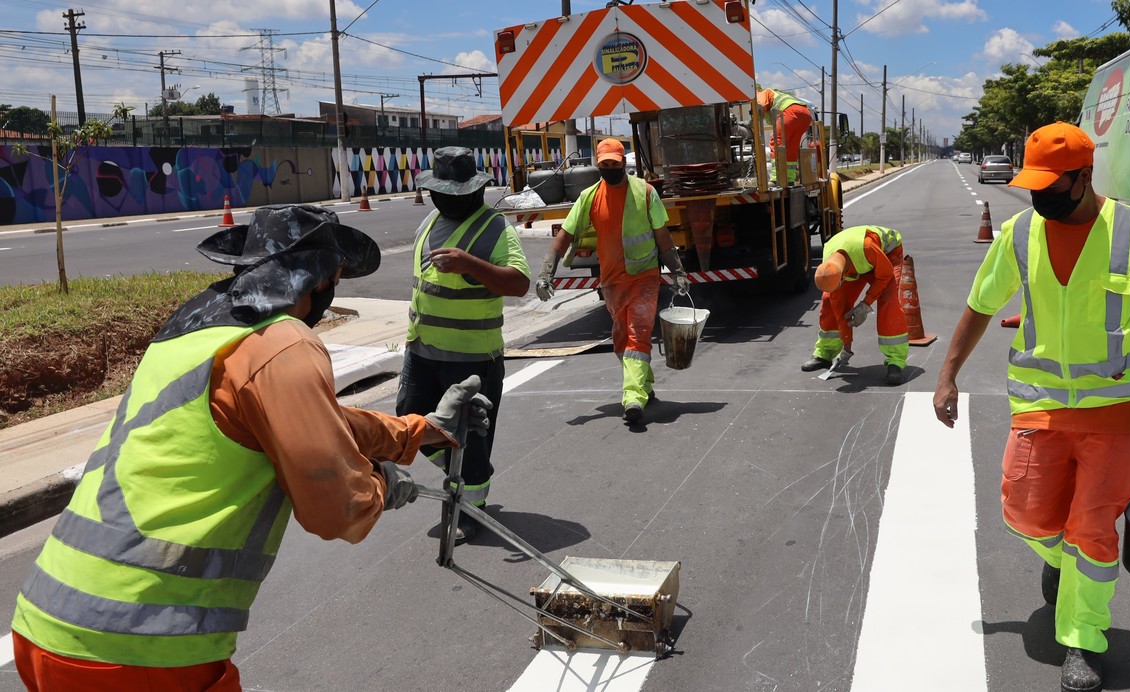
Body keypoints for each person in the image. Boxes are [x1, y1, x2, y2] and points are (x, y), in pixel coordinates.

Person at [9, 204, 492, 691]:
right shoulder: (281, 342)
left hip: (48, 623)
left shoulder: (195, 331)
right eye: (337, 277)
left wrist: (420, 429)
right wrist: (380, 485)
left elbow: (315, 421)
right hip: (140, 648)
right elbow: (337, 508)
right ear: (321, 279)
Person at [930, 122, 1130, 692]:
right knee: (1023, 514)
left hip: (1116, 409)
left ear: (1084, 176)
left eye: (1053, 184)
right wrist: (947, 374)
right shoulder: (1020, 234)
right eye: (1034, 183)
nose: (1039, 194)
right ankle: (1061, 562)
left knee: (1093, 530)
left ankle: (1082, 641)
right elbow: (980, 306)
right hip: (1040, 406)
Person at [397, 146, 531, 542]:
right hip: (421, 349)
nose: (449, 201)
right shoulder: (429, 222)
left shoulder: (494, 227)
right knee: (410, 419)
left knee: (471, 439)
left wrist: (469, 264)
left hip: (472, 357)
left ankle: (471, 509)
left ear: (474, 192)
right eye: (444, 194)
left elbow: (519, 283)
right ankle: (465, 470)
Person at [534, 138, 688, 425]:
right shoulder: (590, 197)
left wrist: (676, 270)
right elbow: (565, 235)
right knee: (621, 339)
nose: (609, 169)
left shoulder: (645, 192)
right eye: (603, 165)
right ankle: (645, 383)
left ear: (623, 164)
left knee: (637, 333)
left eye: (614, 164)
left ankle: (633, 397)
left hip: (644, 276)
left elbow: (662, 236)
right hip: (613, 282)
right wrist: (546, 271)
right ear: (598, 165)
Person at [802, 225, 910, 386]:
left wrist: (866, 304)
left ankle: (896, 361)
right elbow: (840, 308)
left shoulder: (867, 247)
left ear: (842, 277)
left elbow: (884, 276)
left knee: (889, 301)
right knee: (828, 301)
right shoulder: (829, 260)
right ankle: (825, 352)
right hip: (858, 263)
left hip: (886, 255)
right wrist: (847, 346)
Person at [755, 84, 814, 185]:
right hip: (805, 114)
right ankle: (789, 179)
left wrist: (753, 120)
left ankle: (777, 178)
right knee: (791, 147)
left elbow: (760, 106)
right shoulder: (775, 95)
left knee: (776, 142)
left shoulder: (759, 94)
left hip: (791, 112)